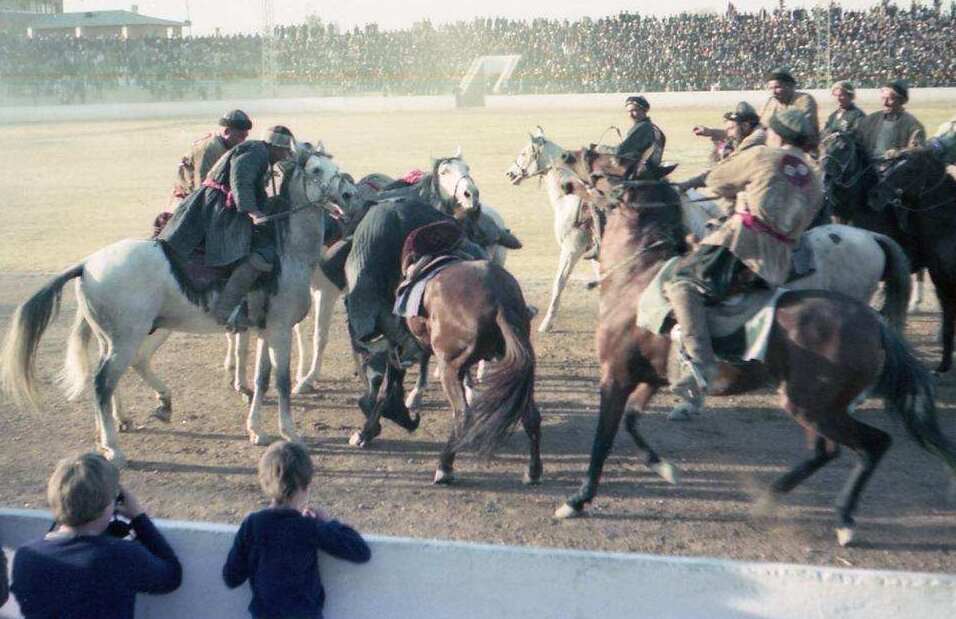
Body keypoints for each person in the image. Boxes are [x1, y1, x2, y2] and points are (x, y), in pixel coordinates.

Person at [663, 109, 822, 396]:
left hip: (742, 246)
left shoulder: (764, 155)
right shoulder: (814, 175)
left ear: (777, 134)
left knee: (681, 282)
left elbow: (717, 180)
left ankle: (701, 362)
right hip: (780, 261)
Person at [158, 125, 296, 331]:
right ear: (274, 146)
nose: (285, 156)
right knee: (260, 253)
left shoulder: (260, 153)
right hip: (219, 208)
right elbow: (241, 182)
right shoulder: (255, 152)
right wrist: (252, 212)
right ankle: (226, 309)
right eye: (284, 151)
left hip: (222, 204)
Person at [10, 453, 182, 619]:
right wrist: (139, 517)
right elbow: (171, 576)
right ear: (109, 504)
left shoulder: (26, 556)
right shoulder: (121, 555)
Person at [223, 441, 371, 619]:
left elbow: (231, 577)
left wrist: (247, 539)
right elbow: (360, 551)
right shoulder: (307, 526)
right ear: (305, 487)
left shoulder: (253, 525)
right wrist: (328, 522)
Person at [680, 101, 766, 193]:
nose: (728, 134)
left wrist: (689, 183)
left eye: (731, 128)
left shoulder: (756, 139)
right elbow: (732, 133)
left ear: (745, 126)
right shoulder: (751, 131)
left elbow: (724, 168)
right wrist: (710, 132)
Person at [172, 109, 253, 202]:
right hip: (188, 199)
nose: (243, 142)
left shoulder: (228, 146)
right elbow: (202, 187)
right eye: (241, 137)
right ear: (227, 132)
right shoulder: (209, 150)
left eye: (245, 137)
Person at [855, 80, 926, 159]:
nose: (885, 103)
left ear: (901, 100)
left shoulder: (912, 125)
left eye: (890, 99)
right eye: (883, 98)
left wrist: (900, 153)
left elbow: (918, 150)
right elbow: (856, 141)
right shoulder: (869, 120)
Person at [759, 68, 820, 152]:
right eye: (770, 88)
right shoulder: (771, 102)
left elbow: (798, 128)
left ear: (789, 86)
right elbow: (762, 125)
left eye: (777, 87)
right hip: (775, 149)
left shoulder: (804, 100)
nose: (773, 92)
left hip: (802, 149)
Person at [616, 95, 666, 172]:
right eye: (628, 111)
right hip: (653, 170)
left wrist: (599, 148)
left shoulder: (643, 127)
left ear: (643, 110)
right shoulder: (653, 127)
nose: (630, 115)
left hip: (641, 171)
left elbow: (620, 151)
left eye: (634, 110)